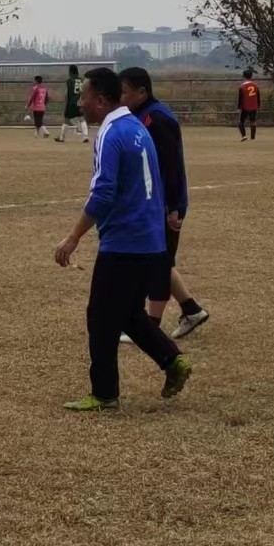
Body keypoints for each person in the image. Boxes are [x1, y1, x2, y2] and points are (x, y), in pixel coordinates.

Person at [54, 68, 192, 413]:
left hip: (125, 242)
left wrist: (73, 238)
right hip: (149, 240)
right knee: (128, 313)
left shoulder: (111, 133)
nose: (80, 102)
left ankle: (104, 394)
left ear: (100, 101)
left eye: (83, 96)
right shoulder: (135, 127)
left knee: (100, 317)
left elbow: (103, 193)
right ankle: (172, 361)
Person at [120, 68, 209, 339]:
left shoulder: (157, 119)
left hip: (165, 204)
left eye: (123, 92)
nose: (119, 97)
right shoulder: (140, 117)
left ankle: (150, 326)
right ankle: (191, 310)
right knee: (159, 260)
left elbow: (170, 168)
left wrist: (173, 207)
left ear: (141, 92)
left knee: (157, 262)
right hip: (152, 203)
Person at [56, 64, 88, 142]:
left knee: (67, 119)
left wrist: (65, 102)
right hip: (80, 101)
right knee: (82, 119)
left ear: (70, 71)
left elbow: (66, 93)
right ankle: (85, 137)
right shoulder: (81, 79)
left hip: (72, 103)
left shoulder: (69, 80)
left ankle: (61, 137)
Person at [238, 69, 261, 141]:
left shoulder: (242, 86)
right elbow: (258, 96)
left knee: (241, 121)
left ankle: (244, 136)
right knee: (253, 121)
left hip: (245, 106)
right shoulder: (256, 86)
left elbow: (240, 98)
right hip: (254, 106)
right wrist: (258, 105)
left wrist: (239, 107)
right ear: (251, 76)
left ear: (244, 76)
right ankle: (253, 137)